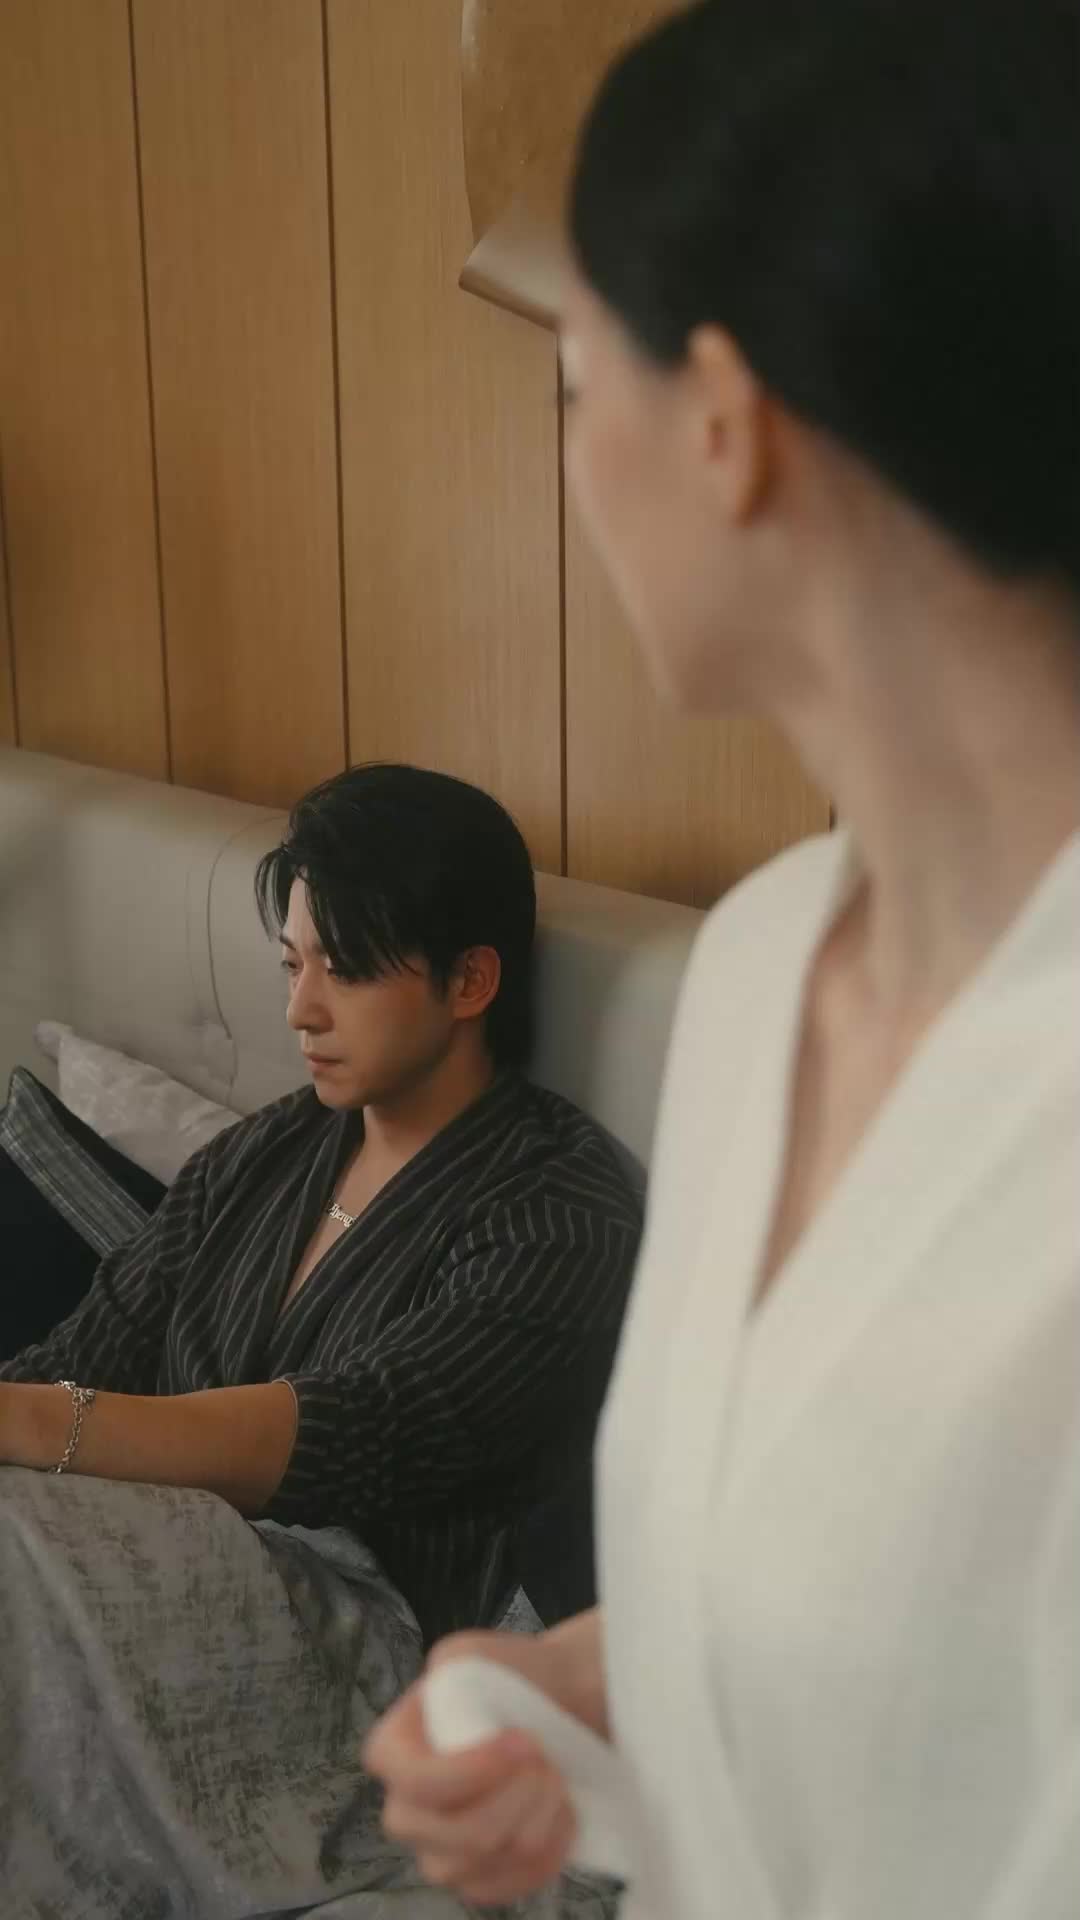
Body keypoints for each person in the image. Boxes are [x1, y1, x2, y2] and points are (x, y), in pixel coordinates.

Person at [365, 4, 1080, 1917]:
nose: (570, 459)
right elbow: (859, 1581)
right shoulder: (760, 965)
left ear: (723, 425)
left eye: (569, 386)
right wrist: (563, 1686)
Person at [0, 762, 641, 1915]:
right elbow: (89, 1347)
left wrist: (40, 1425)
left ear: (470, 980)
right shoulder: (271, 1151)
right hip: (144, 1577)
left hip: (360, 1663)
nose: (300, 1011)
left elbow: (356, 1430)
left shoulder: (559, 1210)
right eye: (292, 965)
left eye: (342, 970)